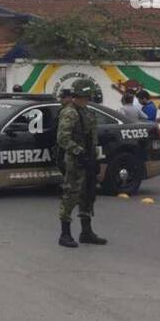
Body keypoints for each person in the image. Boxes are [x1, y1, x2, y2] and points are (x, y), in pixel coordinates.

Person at [55, 78, 106, 248]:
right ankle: (65, 234)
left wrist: (95, 158)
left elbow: (92, 137)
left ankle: (86, 232)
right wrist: (79, 152)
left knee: (88, 195)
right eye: (86, 96)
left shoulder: (86, 111)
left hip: (88, 159)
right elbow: (63, 139)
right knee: (71, 195)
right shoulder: (70, 112)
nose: (88, 99)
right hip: (75, 161)